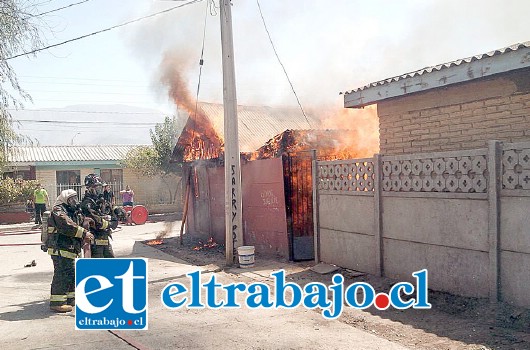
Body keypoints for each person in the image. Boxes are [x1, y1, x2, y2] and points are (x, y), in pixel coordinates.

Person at [45, 189, 94, 313]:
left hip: (69, 248)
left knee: (71, 273)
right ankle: (57, 302)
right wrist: (84, 233)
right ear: (65, 199)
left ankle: (70, 298)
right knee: (62, 274)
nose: (75, 202)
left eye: (76, 199)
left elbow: (80, 222)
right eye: (72, 199)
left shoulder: (73, 211)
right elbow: (66, 225)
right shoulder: (58, 210)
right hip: (59, 248)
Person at [81, 174, 116, 258]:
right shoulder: (86, 203)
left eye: (100, 188)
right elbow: (96, 222)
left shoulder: (103, 202)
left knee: (113, 266)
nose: (99, 190)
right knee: (98, 269)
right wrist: (108, 222)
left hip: (105, 240)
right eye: (96, 188)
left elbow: (115, 221)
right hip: (94, 243)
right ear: (89, 188)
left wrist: (113, 218)